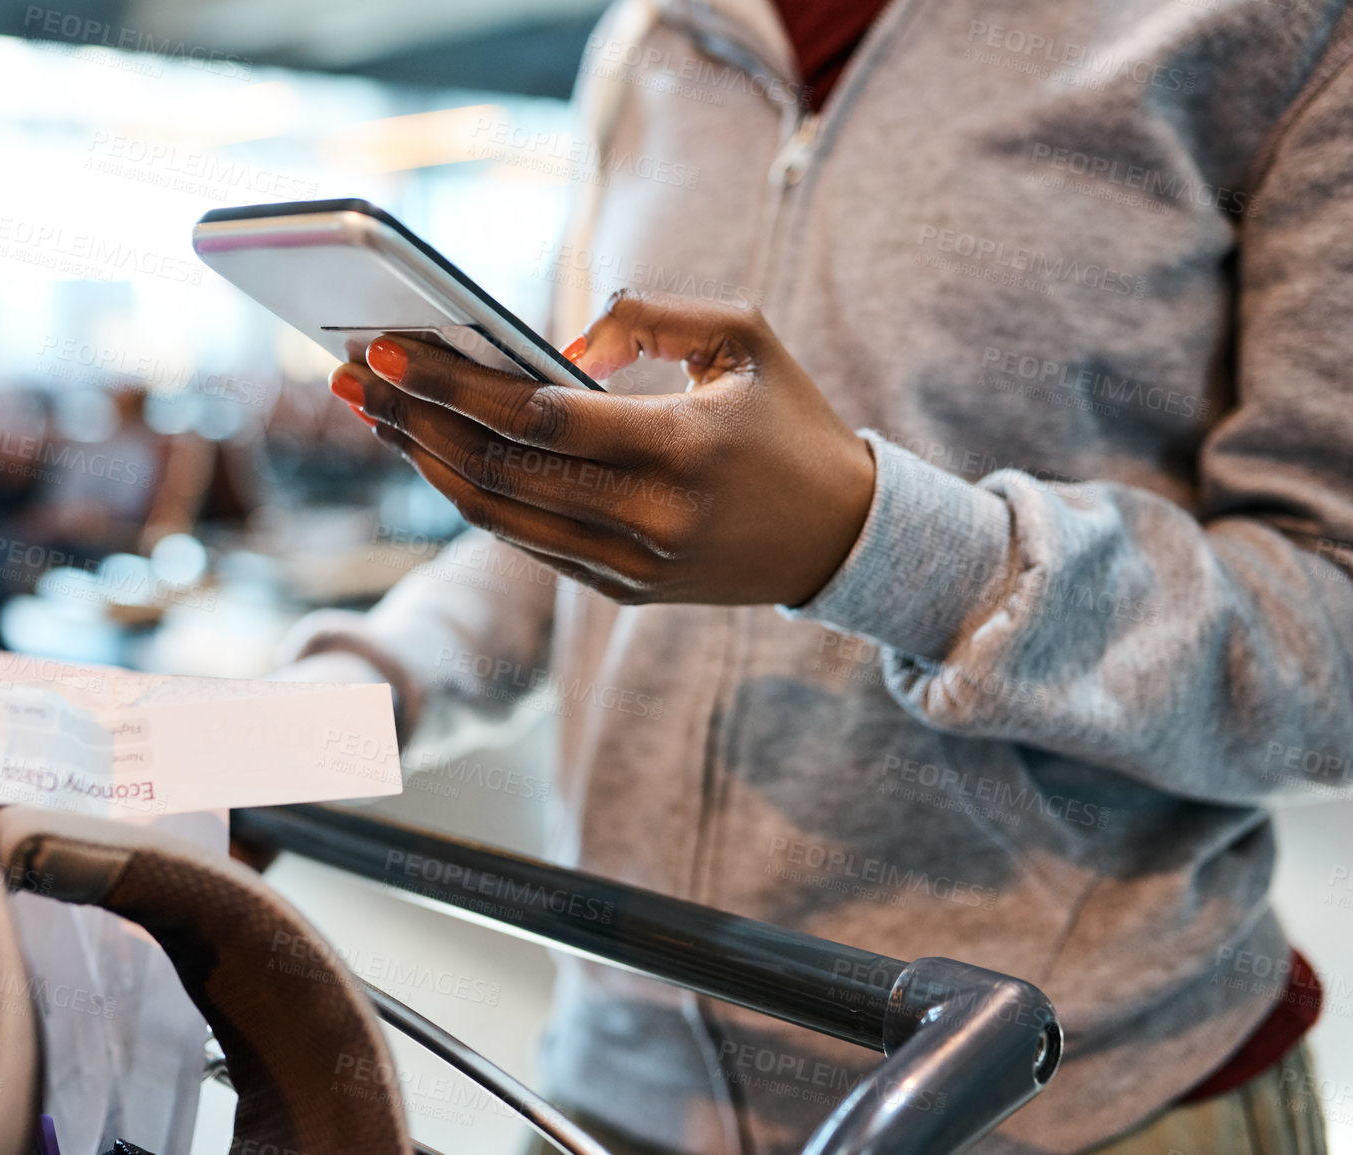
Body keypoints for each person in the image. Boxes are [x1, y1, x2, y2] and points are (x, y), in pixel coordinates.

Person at [266, 0, 1353, 1151]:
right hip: (610, 1087)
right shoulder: (657, 37)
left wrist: (872, 542)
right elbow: (582, 520)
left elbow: (1330, 638)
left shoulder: (1279, 26)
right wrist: (342, 701)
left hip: (1054, 1100)